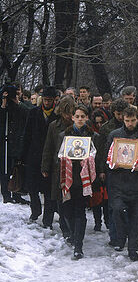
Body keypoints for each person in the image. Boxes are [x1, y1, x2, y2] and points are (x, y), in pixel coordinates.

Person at [106, 106, 138, 261]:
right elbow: (107, 156)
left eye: (133, 120)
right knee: (118, 210)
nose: (130, 124)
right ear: (123, 120)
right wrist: (112, 163)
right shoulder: (115, 135)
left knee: (136, 218)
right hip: (119, 183)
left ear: (137, 119)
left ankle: (133, 248)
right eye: (127, 121)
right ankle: (121, 237)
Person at [57, 105, 101, 259]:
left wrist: (89, 159)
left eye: (83, 116)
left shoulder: (93, 136)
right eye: (77, 116)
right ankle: (73, 235)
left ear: (87, 118)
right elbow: (59, 154)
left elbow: (97, 156)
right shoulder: (65, 135)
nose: (80, 119)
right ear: (72, 117)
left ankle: (78, 246)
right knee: (67, 211)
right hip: (69, 178)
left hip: (84, 179)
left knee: (80, 212)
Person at [22, 86, 59, 222]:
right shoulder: (33, 113)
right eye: (45, 99)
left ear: (54, 100)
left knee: (48, 189)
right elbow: (27, 134)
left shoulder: (57, 114)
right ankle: (35, 210)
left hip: (50, 156)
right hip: (34, 154)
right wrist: (23, 156)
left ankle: (47, 219)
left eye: (49, 100)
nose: (47, 102)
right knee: (32, 186)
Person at [41, 96, 77, 234]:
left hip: (76, 169)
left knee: (73, 200)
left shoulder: (78, 125)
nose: (69, 116)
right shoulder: (54, 126)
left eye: (71, 113)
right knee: (61, 200)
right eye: (66, 113)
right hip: (59, 168)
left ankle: (74, 228)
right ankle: (65, 228)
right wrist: (45, 166)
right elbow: (48, 147)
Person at [98, 99, 129, 245]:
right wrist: (102, 170)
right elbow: (102, 152)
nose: (121, 117)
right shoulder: (106, 129)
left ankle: (124, 233)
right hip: (112, 170)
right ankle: (114, 235)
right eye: (118, 114)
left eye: (124, 113)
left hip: (129, 171)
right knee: (112, 205)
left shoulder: (131, 125)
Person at [0, 83, 29, 204]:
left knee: (17, 168)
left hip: (18, 141)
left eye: (18, 91)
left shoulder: (22, 105)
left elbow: (27, 114)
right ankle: (6, 194)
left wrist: (17, 102)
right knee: (5, 169)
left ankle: (17, 193)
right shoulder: (4, 104)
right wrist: (3, 104)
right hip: (4, 142)